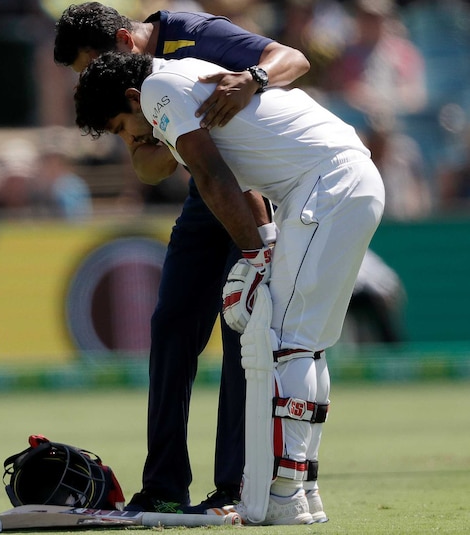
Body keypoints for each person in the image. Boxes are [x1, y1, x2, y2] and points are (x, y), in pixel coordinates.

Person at [73, 51, 385, 524]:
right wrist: (261, 246)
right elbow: (236, 176)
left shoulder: (159, 93)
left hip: (324, 185)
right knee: (307, 346)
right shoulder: (182, 76)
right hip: (343, 177)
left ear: (134, 99)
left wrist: (257, 255)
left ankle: (284, 494)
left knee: (286, 346)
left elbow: (215, 178)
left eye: (121, 127)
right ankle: (302, 488)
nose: (130, 140)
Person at [53, 2, 310, 514]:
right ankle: (165, 489)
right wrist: (183, 133)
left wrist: (252, 80)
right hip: (206, 194)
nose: (94, 82)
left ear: (125, 43)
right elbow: (147, 167)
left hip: (255, 192)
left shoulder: (192, 32)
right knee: (171, 328)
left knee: (244, 334)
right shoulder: (132, 88)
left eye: (93, 66)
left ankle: (236, 487)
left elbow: (294, 59)